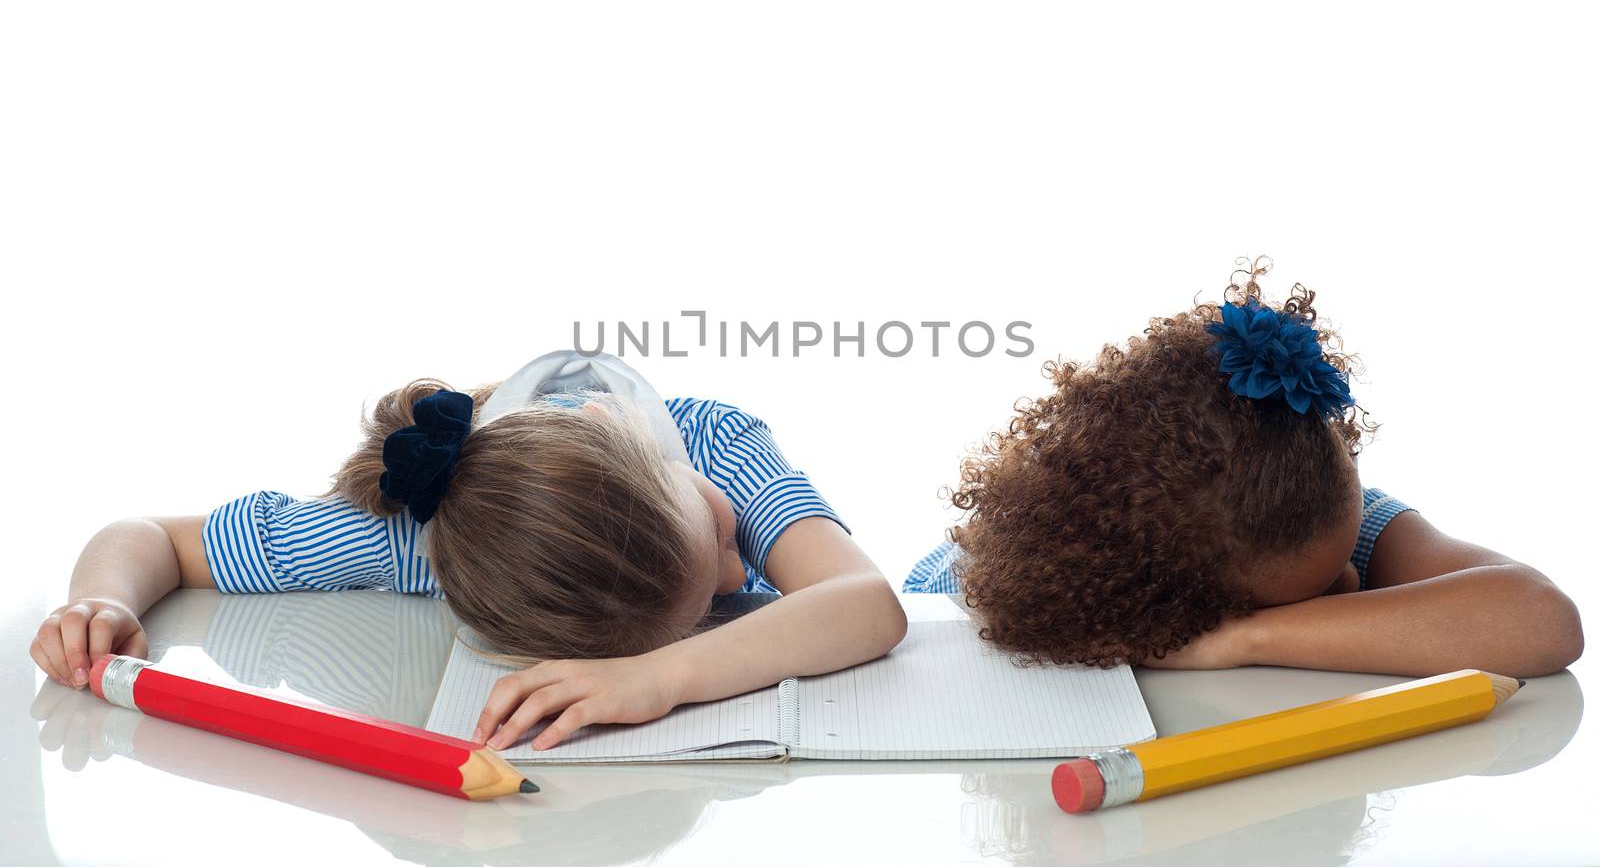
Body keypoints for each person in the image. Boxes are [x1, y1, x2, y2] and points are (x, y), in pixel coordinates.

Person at [31, 351, 907, 750]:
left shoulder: (711, 444)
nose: (736, 567)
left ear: (625, 425)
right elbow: (152, 538)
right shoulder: (411, 536)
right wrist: (103, 600)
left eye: (718, 535)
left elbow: (867, 602)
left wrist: (658, 676)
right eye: (725, 546)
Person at [905, 260, 1583, 679]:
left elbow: (1542, 618)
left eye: (1339, 569)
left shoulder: (1316, 507)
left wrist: (1247, 635)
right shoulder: (1004, 587)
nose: (1354, 579)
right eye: (1311, 593)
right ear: (1155, 598)